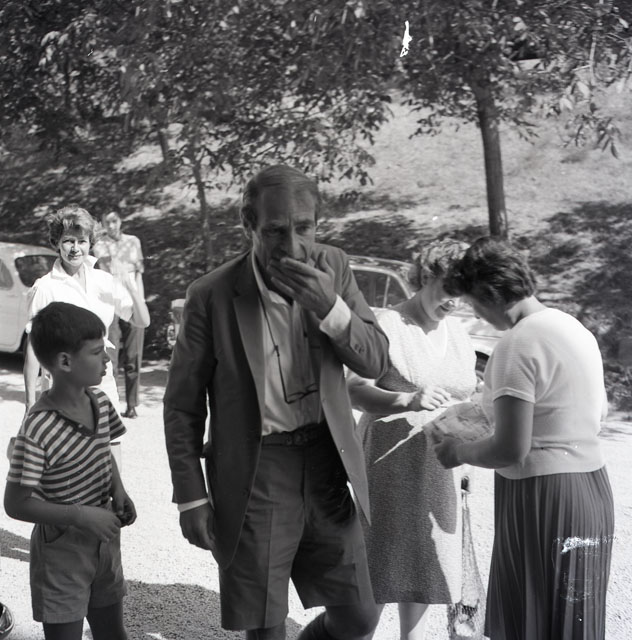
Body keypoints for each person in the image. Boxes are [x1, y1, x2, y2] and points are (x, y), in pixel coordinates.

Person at [163, 164, 390, 640]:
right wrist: (191, 496)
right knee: (265, 627)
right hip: (257, 470)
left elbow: (376, 361)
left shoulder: (334, 267)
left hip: (326, 463)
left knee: (359, 617)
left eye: (304, 228)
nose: (293, 245)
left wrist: (331, 307)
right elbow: (183, 405)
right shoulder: (211, 295)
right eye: (275, 231)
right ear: (249, 225)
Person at [434, 237, 615, 640]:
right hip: (591, 489)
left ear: (491, 293)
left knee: (532, 619)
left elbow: (510, 448)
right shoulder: (573, 328)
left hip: (543, 494)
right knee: (574, 621)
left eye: (474, 303)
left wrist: (456, 451)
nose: (475, 314)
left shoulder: (517, 345)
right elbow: (598, 413)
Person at [346, 239, 477, 640]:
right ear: (425, 276)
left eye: (463, 293)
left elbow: (465, 397)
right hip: (389, 464)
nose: (454, 301)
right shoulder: (388, 324)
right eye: (448, 289)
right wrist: (407, 399)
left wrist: (472, 443)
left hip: (440, 468)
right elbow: (353, 389)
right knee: (377, 568)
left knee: (423, 568)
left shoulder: (459, 332)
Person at [4, 302, 137, 640]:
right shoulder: (38, 428)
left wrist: (118, 490)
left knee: (113, 633)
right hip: (61, 552)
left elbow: (103, 451)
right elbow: (15, 504)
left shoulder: (101, 403)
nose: (107, 358)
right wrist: (80, 516)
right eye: (96, 352)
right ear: (64, 362)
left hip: (104, 540)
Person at [23, 205, 149, 415]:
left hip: (103, 386)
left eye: (81, 241)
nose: (75, 248)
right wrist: (30, 405)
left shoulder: (104, 281)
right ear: (57, 243)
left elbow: (142, 321)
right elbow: (33, 349)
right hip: (62, 392)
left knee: (109, 438)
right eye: (68, 241)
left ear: (90, 243)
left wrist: (130, 287)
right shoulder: (45, 287)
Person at [93, 210, 149, 418]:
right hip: (111, 302)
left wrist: (140, 301)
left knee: (134, 355)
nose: (111, 225)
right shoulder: (100, 244)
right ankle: (111, 403)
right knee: (111, 355)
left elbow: (139, 273)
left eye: (114, 221)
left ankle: (132, 404)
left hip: (132, 300)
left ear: (120, 221)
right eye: (107, 222)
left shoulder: (133, 241)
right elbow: (106, 265)